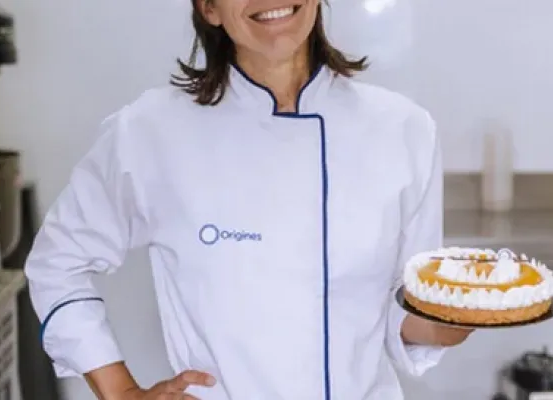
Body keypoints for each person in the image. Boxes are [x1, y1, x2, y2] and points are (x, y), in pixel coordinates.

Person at [25, 0, 473, 399]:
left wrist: (463, 316)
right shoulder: (151, 131)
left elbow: (406, 314)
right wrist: (120, 390)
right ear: (209, 9)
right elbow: (57, 262)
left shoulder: (405, 131)